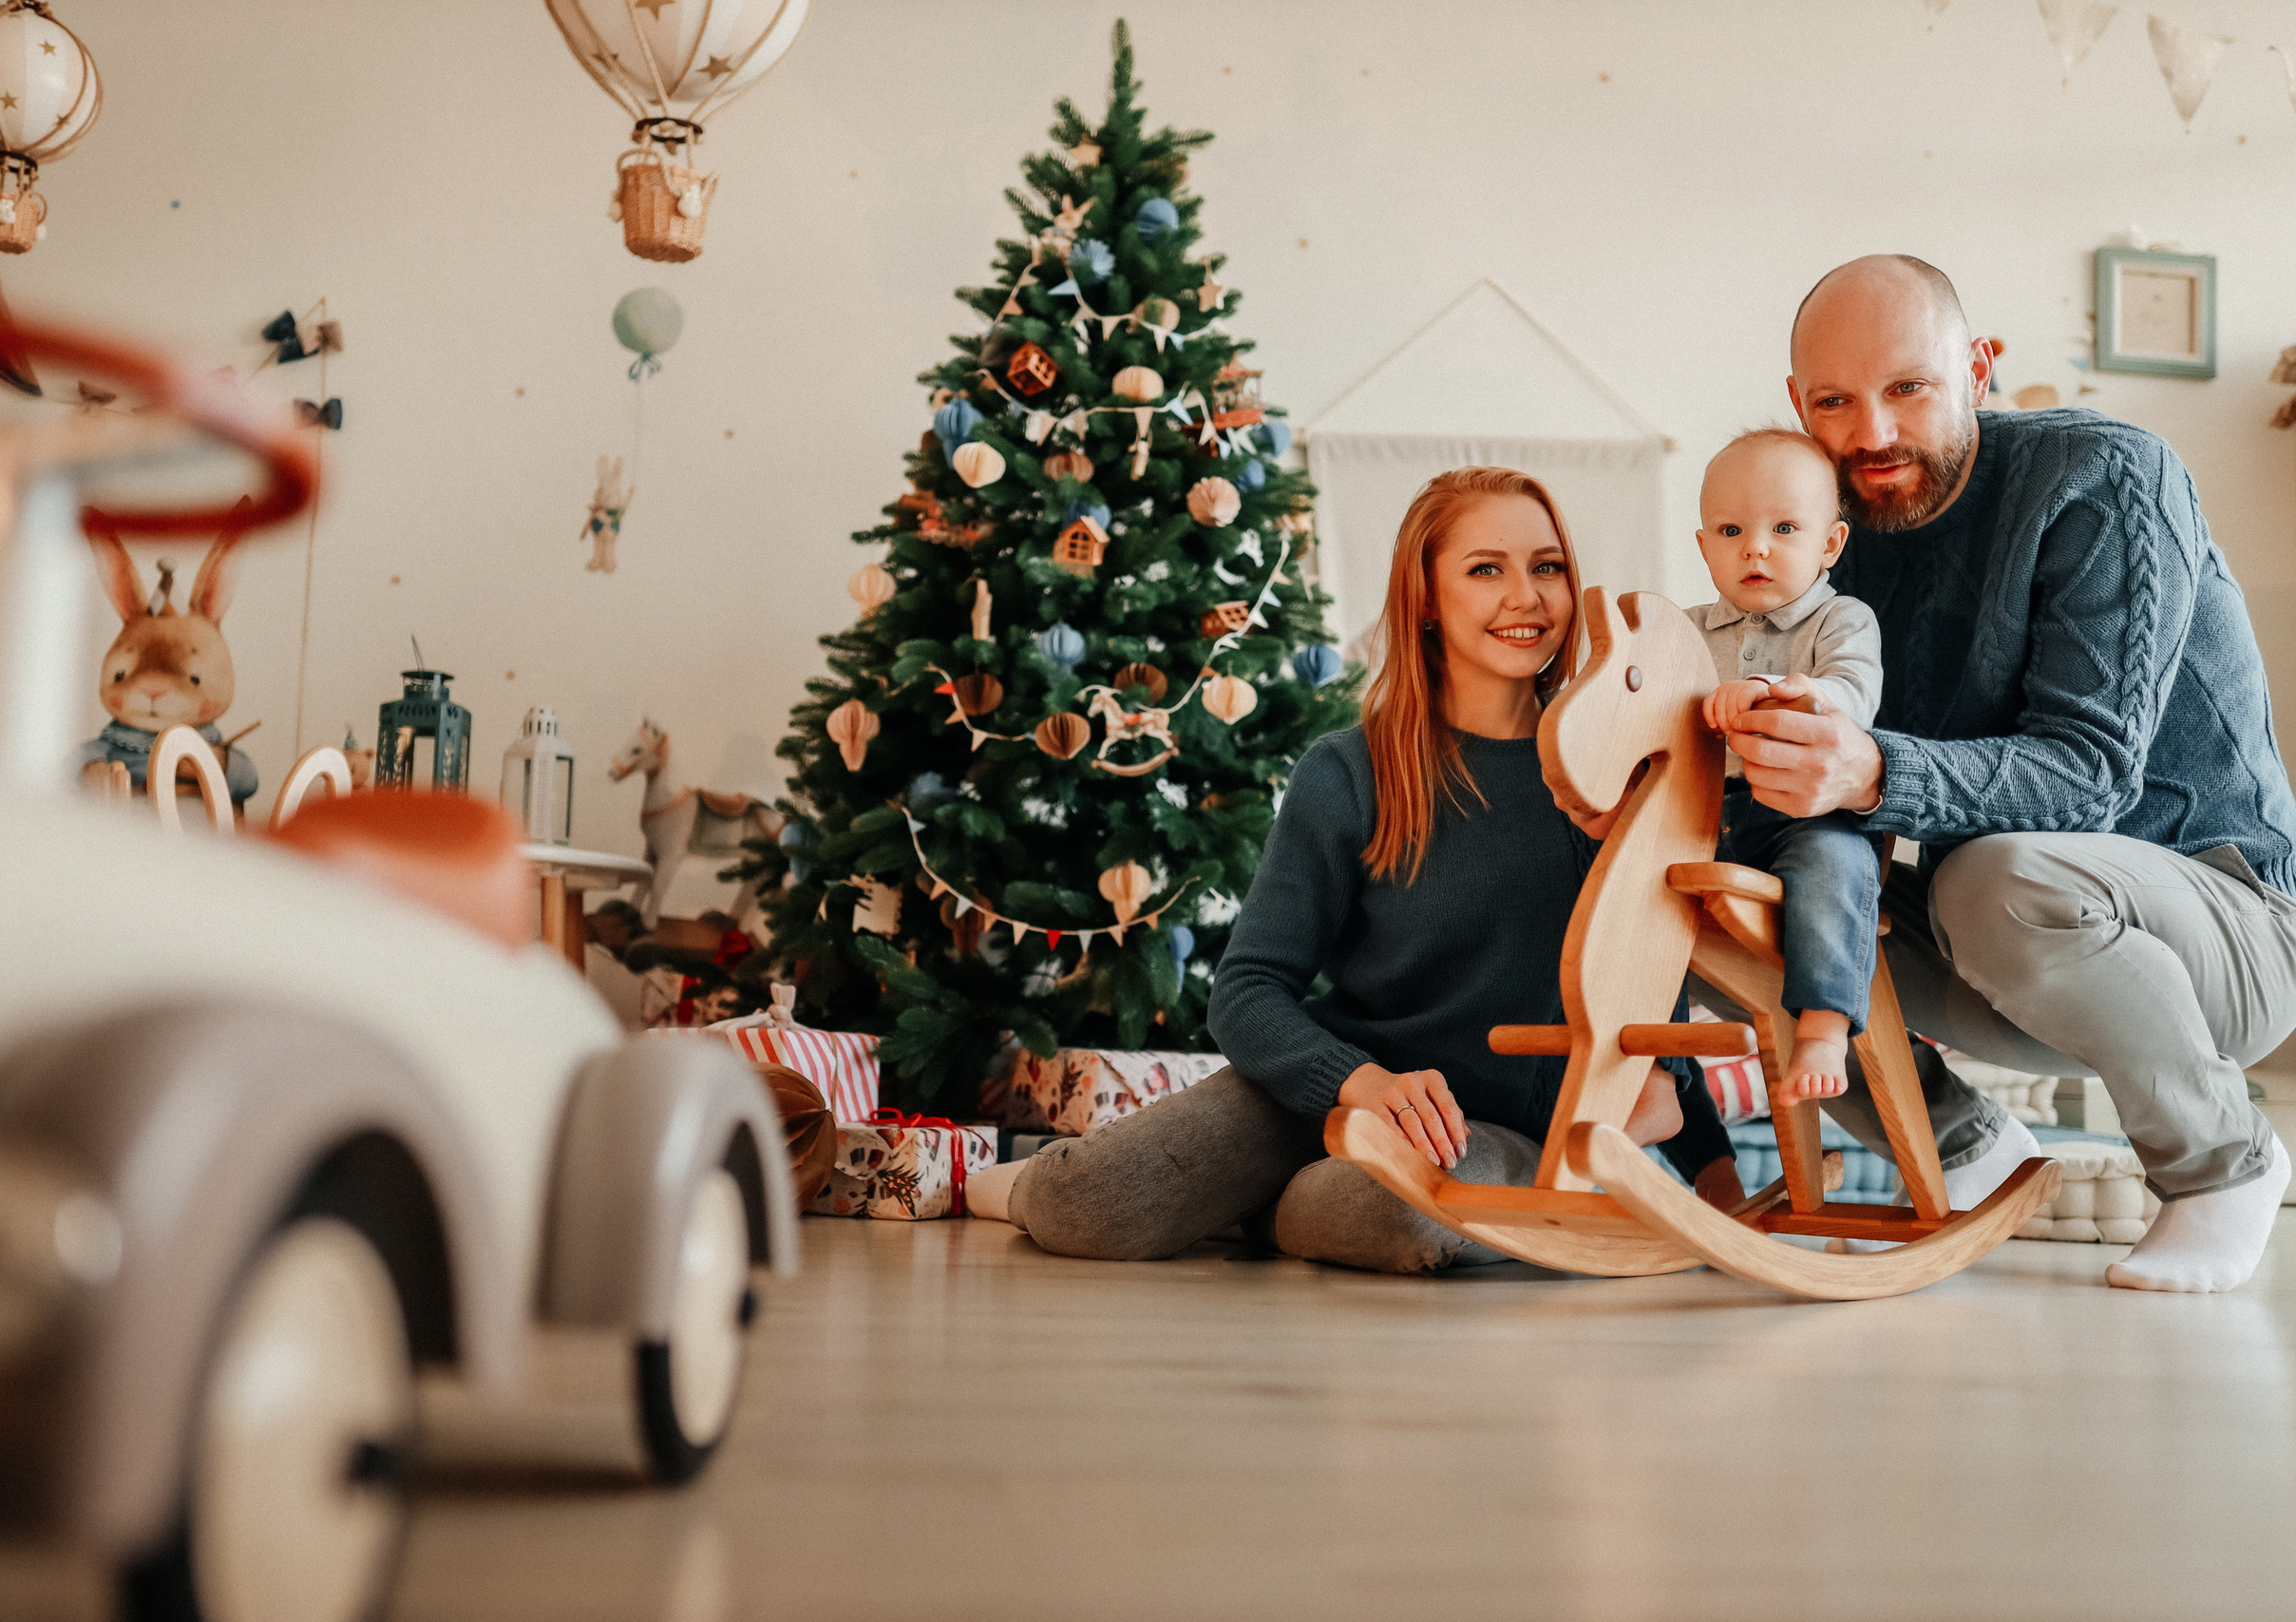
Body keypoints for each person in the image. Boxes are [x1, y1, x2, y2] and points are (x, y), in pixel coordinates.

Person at [963, 467, 1738, 1271]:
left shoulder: (1618, 776)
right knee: (1088, 1205)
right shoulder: (1348, 770)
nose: (1527, 596)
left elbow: (1653, 1006)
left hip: (1497, 1126)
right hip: (1338, 1088)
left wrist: (1718, 1181)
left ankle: (1255, 1209)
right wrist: (1361, 1084)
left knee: (1388, 1218)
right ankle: (1016, 1182)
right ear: (1427, 600)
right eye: (1486, 569)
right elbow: (1248, 988)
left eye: (1547, 567)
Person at [1718, 253, 2296, 1292]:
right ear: (1798, 405)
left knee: (1992, 877)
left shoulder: (2106, 475)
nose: (1873, 433)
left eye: (1908, 388)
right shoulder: (1829, 532)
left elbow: (2089, 776)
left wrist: (1864, 769)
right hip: (1997, 947)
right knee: (1728, 908)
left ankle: (2225, 1167)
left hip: (2229, 923)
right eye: (1836, 402)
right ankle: (1968, 1152)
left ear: (1978, 368)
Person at [1690, 429, 1883, 1101]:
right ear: (1704, 545)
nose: (1756, 546)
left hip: (1805, 812)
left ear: (1829, 544)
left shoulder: (1842, 620)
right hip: (1700, 817)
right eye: (1732, 528)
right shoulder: (1684, 631)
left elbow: (1853, 694)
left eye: (1784, 527)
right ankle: (1658, 1068)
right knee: (1617, 881)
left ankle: (1825, 1025)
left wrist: (1781, 693)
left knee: (1839, 866)